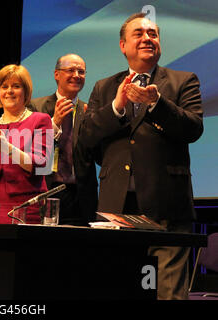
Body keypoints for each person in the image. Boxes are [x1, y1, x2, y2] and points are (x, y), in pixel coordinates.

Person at [80, 13, 203, 299]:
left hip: (167, 208)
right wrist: (116, 108)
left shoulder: (183, 81)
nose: (148, 38)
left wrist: (156, 103)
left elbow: (193, 128)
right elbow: (87, 137)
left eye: (153, 33)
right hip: (116, 209)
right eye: (139, 33)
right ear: (123, 45)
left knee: (167, 294)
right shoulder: (104, 87)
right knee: (120, 290)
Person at [0, 64, 53, 224]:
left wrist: (8, 148)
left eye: (16, 86)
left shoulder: (40, 120)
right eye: (4, 86)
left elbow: (41, 164)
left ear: (25, 92)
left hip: (26, 207)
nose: (9, 91)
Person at [30, 54, 98, 226]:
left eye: (81, 72)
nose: (76, 75)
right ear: (56, 74)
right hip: (47, 189)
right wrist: (55, 122)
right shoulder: (36, 107)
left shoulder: (89, 110)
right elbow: (29, 149)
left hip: (81, 194)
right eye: (70, 70)